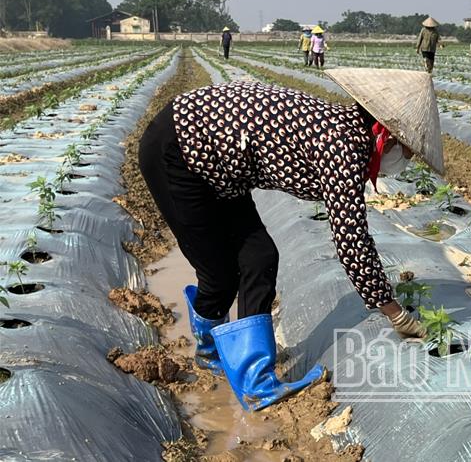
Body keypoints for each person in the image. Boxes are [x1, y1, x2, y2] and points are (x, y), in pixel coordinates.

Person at [138, 68, 444, 410]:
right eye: (407, 151)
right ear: (386, 137)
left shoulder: (346, 130)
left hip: (222, 165)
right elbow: (352, 241)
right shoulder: (344, 147)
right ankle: (216, 356)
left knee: (259, 257)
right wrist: (394, 313)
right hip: (178, 151)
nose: (407, 160)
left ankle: (250, 373)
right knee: (219, 273)